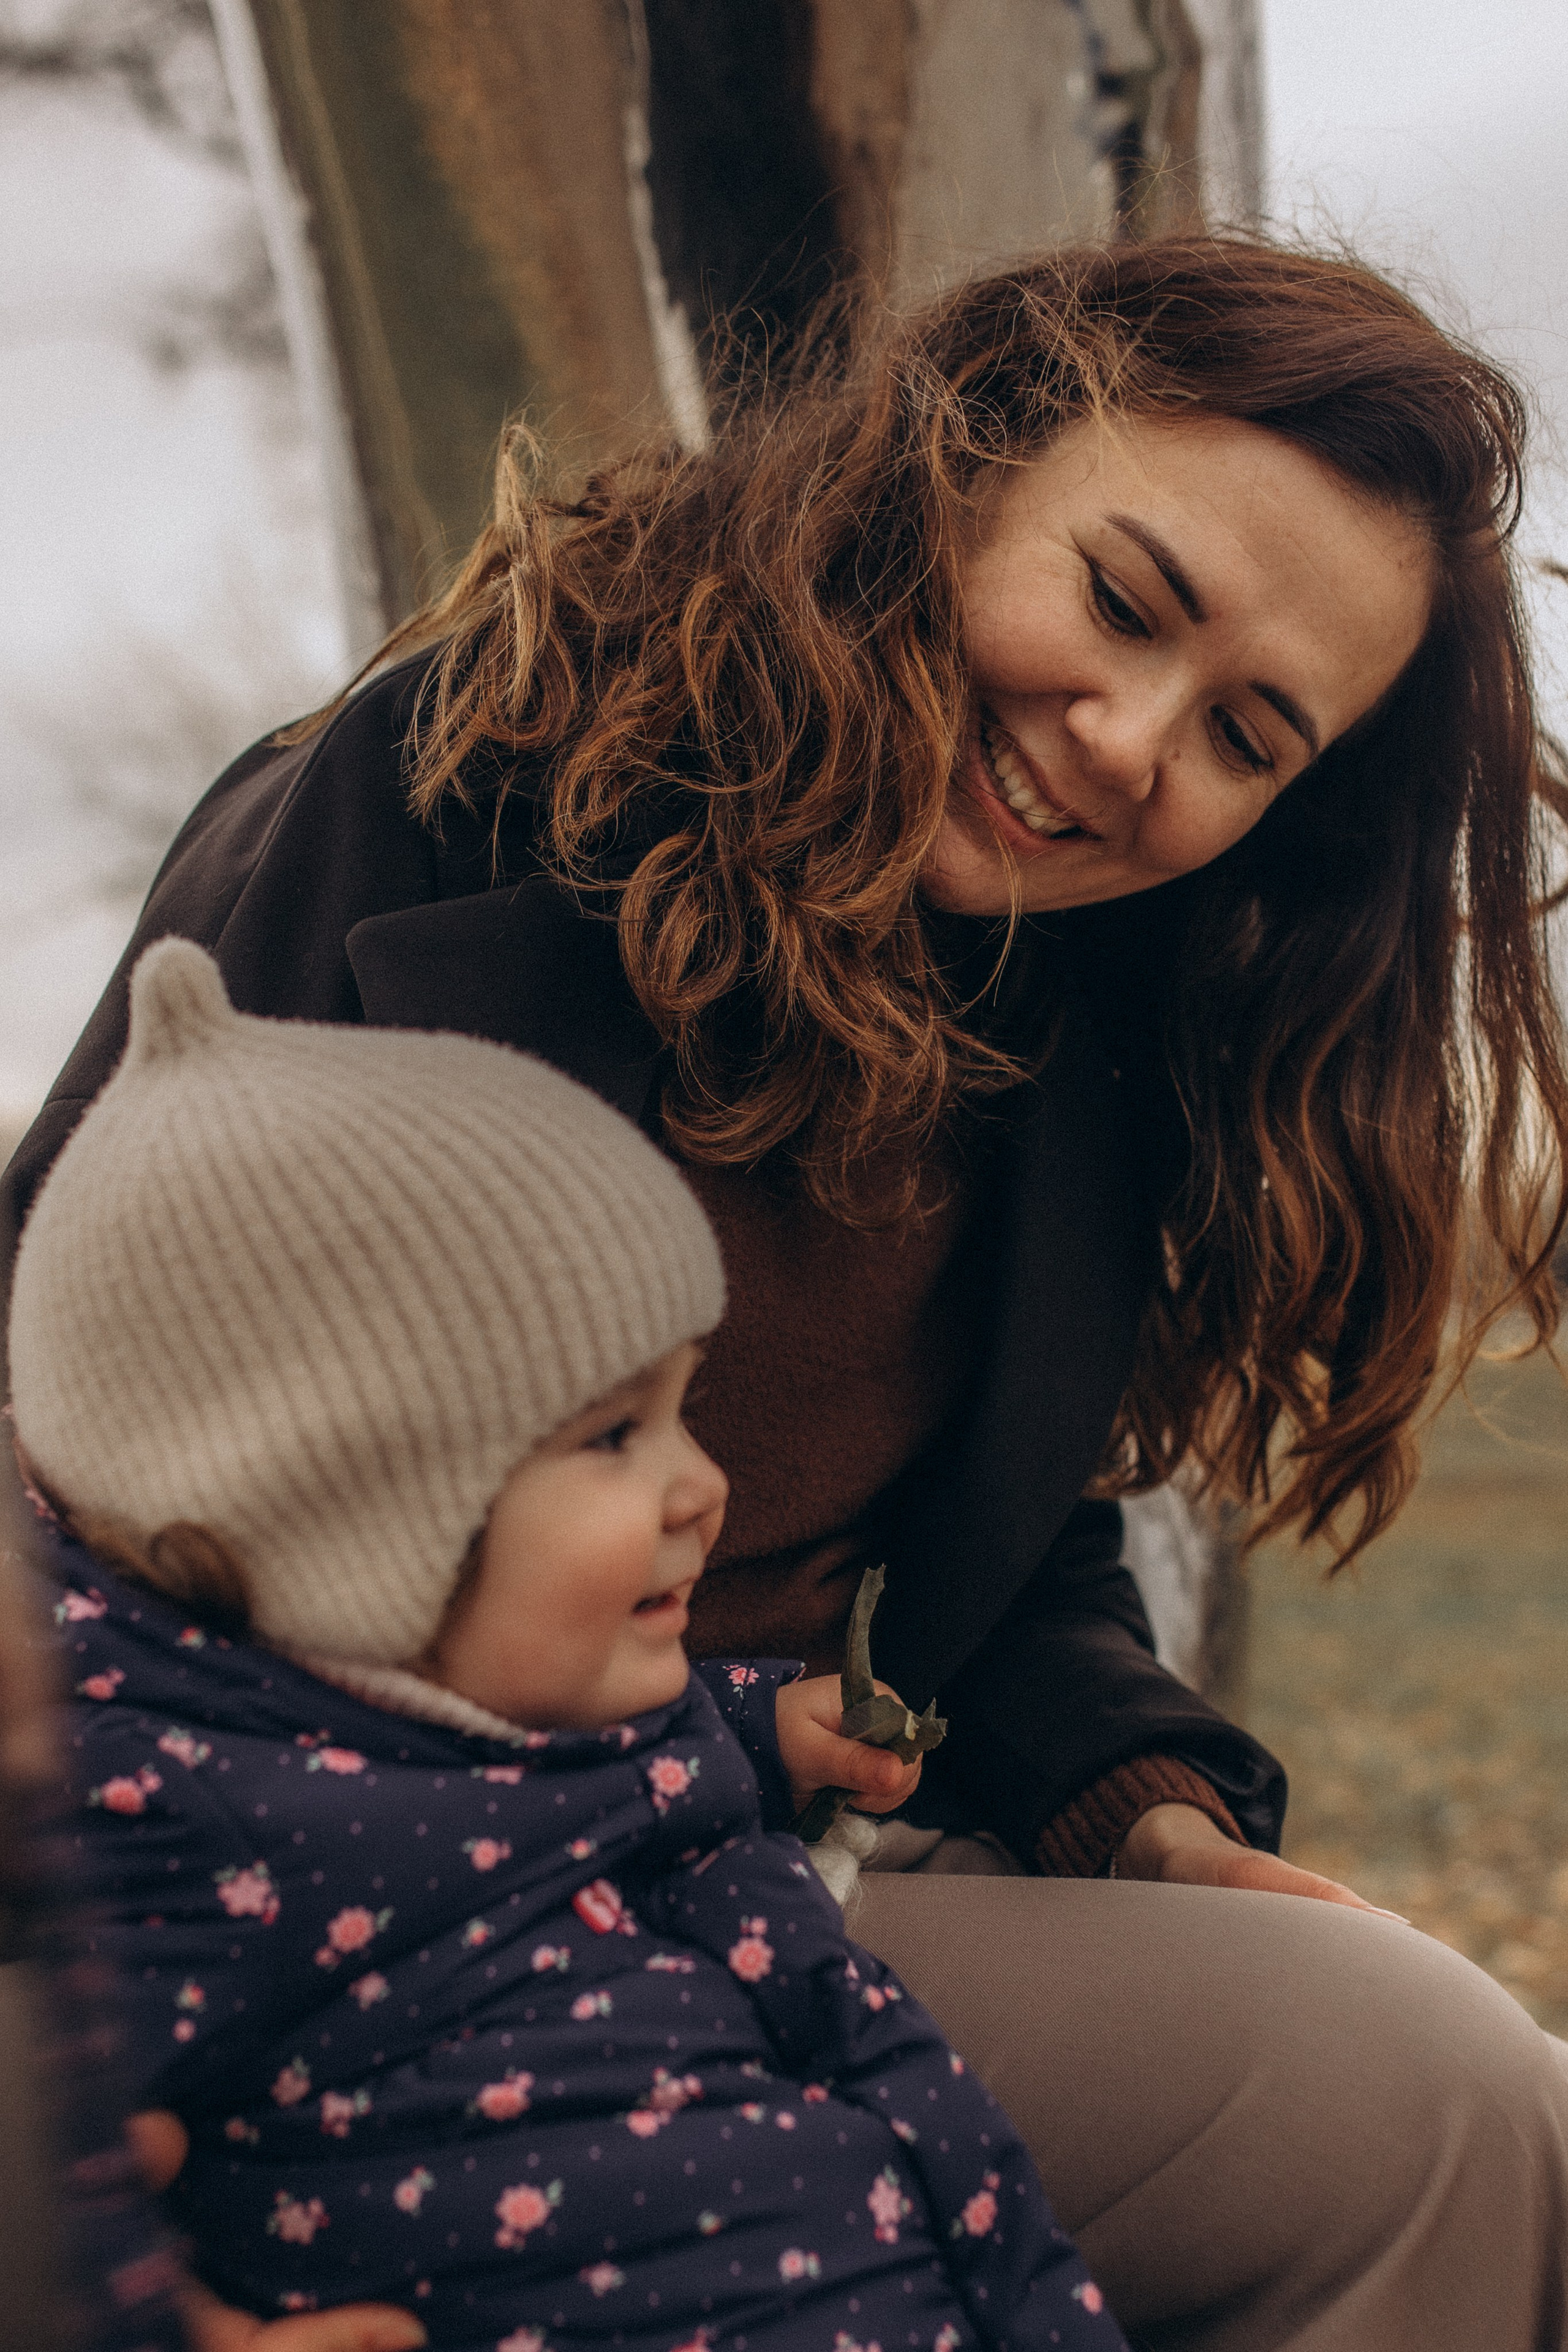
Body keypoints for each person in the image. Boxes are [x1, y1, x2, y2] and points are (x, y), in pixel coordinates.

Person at [7, 233, 1568, 2346]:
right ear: (964, 457)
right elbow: (59, 1456)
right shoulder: (433, 798)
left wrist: (1147, 1815)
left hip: (764, 1880)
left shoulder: (1086, 1025)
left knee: (1442, 2093)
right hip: (275, 1909)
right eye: (1124, 602)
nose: (1130, 745)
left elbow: (1002, 1552)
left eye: (1249, 736)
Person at [17, 936, 1123, 2351]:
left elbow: (598, 1764)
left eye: (681, 1407)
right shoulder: (172, 1816)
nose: (701, 1487)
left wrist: (761, 1727)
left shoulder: (509, 1697)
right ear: (333, 1509)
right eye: (613, 1434)